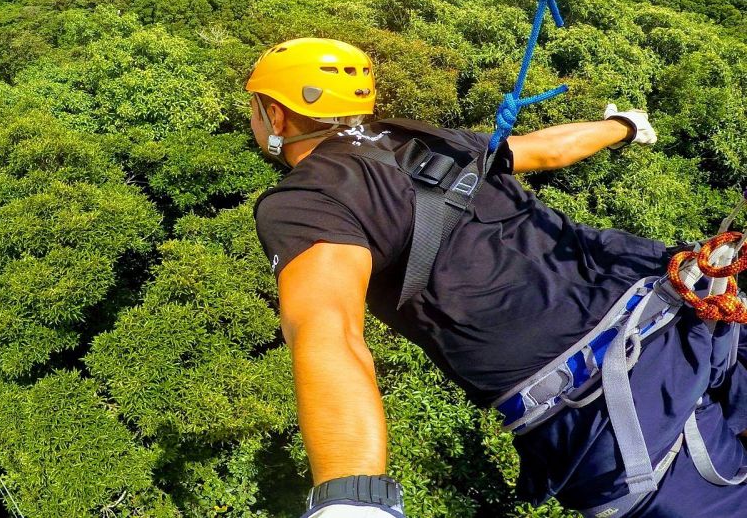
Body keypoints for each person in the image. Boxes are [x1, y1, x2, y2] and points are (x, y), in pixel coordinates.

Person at [247, 37, 747, 518]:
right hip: (684, 307)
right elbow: (543, 150)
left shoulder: (304, 202)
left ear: (276, 113)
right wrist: (620, 126)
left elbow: (326, 331)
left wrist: (350, 492)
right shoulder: (418, 136)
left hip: (613, 404)